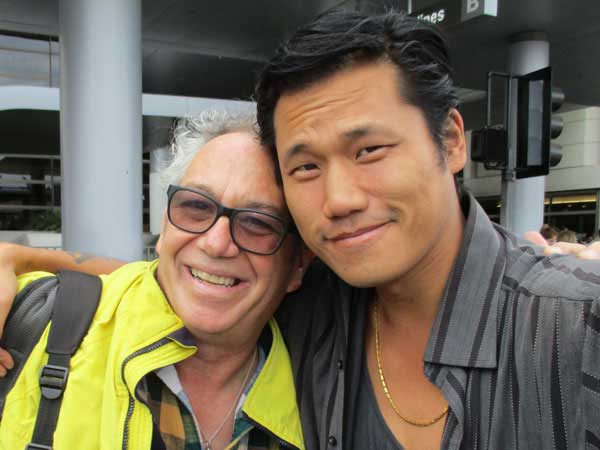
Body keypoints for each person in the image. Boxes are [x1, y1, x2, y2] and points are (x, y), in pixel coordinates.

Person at [2, 9, 600, 450]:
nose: (338, 199)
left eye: (368, 149)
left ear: (449, 140)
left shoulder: (576, 332)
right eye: (306, 166)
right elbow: (191, 275)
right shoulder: (317, 308)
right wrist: (20, 258)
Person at [0, 111, 311, 450]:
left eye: (258, 222)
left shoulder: (327, 385)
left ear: (297, 264)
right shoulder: (29, 319)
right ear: (165, 225)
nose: (216, 243)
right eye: (195, 206)